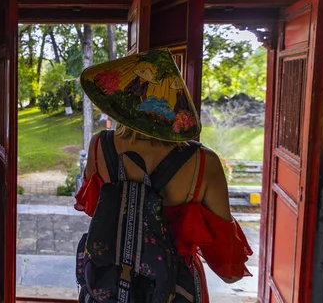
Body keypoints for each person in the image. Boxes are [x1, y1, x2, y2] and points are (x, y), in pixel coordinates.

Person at [75, 49, 252, 303]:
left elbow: (97, 211)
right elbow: (228, 267)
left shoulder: (99, 147)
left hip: (108, 285)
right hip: (172, 290)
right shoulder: (204, 162)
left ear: (125, 101)